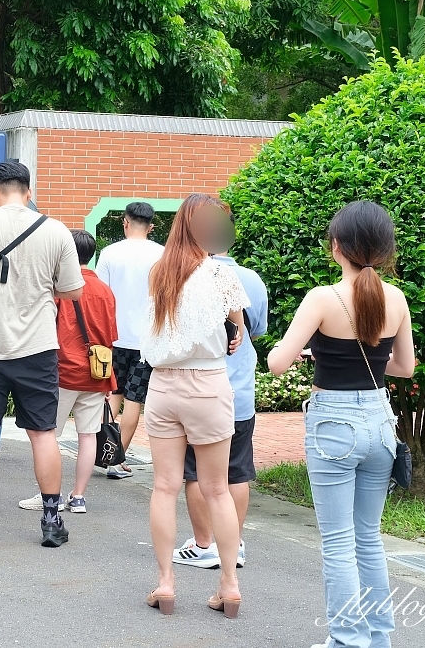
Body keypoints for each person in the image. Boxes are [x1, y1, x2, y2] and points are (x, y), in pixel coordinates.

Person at [268, 201, 414, 648]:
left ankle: (348, 640)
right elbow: (405, 367)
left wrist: (320, 351)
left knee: (337, 542)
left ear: (337, 247)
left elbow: (276, 364)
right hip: (380, 421)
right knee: (368, 539)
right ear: (385, 250)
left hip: (334, 424)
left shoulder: (321, 298)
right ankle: (378, 638)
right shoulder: (397, 298)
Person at [0, 161, 84, 548]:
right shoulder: (56, 230)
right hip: (38, 348)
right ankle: (52, 522)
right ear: (28, 189)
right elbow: (73, 291)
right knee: (43, 434)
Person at [139, 193, 247, 618]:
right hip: (207, 383)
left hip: (163, 386)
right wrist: (233, 334)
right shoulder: (221, 275)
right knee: (217, 489)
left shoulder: (159, 271)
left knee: (164, 487)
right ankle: (229, 585)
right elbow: (237, 328)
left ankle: (166, 583)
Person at [175, 208, 269, 570]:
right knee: (236, 471)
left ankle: (203, 545)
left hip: (197, 389)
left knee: (197, 472)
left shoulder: (182, 276)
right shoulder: (251, 279)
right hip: (240, 389)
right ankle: (235, 543)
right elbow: (255, 329)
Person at [18, 229, 117, 514]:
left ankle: (50, 495)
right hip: (97, 373)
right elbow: (111, 334)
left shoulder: (61, 288)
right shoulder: (105, 291)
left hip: (63, 369)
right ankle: (79, 497)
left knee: (46, 434)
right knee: (88, 435)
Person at [96, 201, 165, 479]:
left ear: (125, 222)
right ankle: (116, 461)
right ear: (151, 227)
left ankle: (102, 453)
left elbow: (102, 296)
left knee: (112, 395)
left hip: (115, 337)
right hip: (147, 342)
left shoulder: (111, 253)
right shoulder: (162, 254)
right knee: (134, 400)